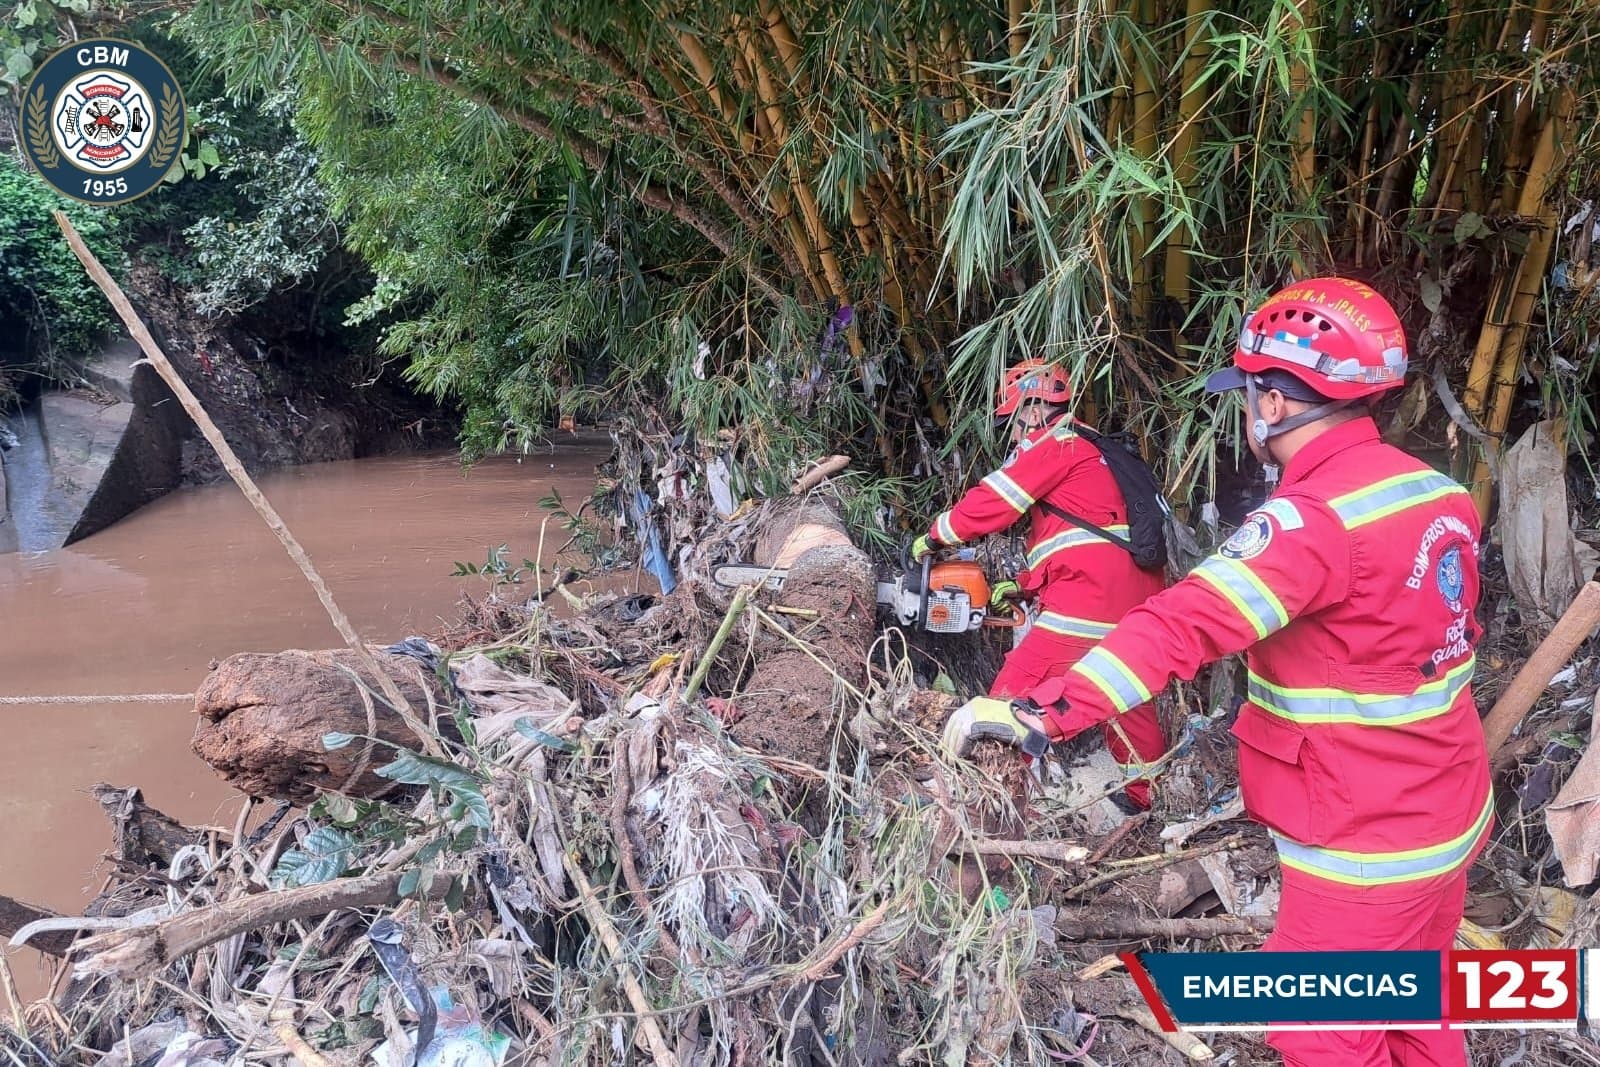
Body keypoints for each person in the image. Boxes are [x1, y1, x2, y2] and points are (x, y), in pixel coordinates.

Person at [944, 277, 1491, 1067]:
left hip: (1363, 843)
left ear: (1272, 405)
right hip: (1449, 814)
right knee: (1418, 1011)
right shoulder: (1438, 493)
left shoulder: (1308, 524)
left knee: (1319, 1028)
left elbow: (1182, 624)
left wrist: (1044, 710)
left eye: (1249, 396)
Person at [914, 359, 1167, 807]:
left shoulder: (1057, 445)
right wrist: (1027, 587)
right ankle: (1144, 795)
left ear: (1031, 411)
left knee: (1013, 692)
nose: (1011, 436)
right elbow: (1081, 538)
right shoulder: (1095, 450)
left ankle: (988, 798)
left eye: (1010, 423)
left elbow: (994, 501)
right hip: (1134, 597)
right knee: (1124, 695)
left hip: (1090, 600)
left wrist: (935, 536)